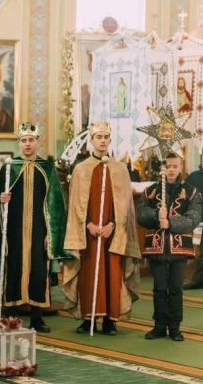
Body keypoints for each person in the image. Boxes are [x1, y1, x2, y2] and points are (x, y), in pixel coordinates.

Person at [62, 122, 141, 335]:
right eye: (99, 137)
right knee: (88, 273)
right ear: (92, 141)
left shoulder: (120, 169)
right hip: (88, 233)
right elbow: (75, 204)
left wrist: (112, 224)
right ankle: (87, 318)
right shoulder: (81, 169)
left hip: (112, 233)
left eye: (106, 137)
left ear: (110, 140)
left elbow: (126, 205)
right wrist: (88, 224)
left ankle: (109, 320)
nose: (103, 141)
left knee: (112, 274)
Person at [0, 123, 69, 333]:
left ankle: (37, 318)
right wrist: (1, 201)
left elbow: (55, 204)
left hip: (39, 230)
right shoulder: (10, 167)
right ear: (19, 142)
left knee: (38, 272)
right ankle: (11, 318)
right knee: (13, 270)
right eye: (24, 140)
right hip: (14, 231)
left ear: (37, 141)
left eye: (31, 140)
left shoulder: (47, 168)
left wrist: (51, 233)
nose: (27, 144)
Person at [137, 153, 201, 341]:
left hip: (179, 249)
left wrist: (170, 223)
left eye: (175, 166)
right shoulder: (151, 191)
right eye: (168, 166)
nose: (171, 170)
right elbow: (141, 214)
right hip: (157, 247)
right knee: (159, 288)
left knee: (175, 289)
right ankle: (159, 326)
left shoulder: (191, 192)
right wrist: (156, 214)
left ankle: (174, 327)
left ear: (181, 167)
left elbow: (193, 218)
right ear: (162, 168)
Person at [183, 153, 203, 290]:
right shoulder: (193, 176)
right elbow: (186, 193)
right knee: (201, 251)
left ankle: (199, 280)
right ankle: (199, 281)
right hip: (199, 219)